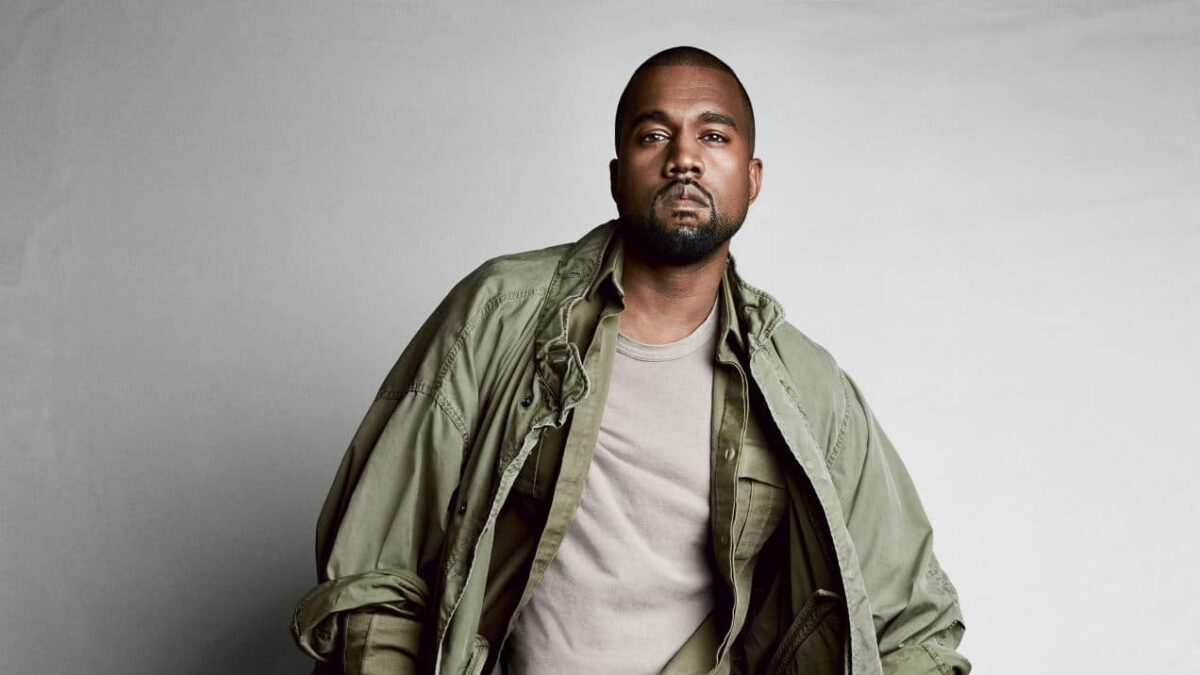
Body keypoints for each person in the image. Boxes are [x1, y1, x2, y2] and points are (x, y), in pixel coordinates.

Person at [291, 46, 970, 675]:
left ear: (752, 176)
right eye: (653, 135)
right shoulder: (499, 313)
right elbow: (374, 574)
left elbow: (911, 623)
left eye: (714, 135)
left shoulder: (804, 387)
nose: (683, 158)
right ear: (618, 175)